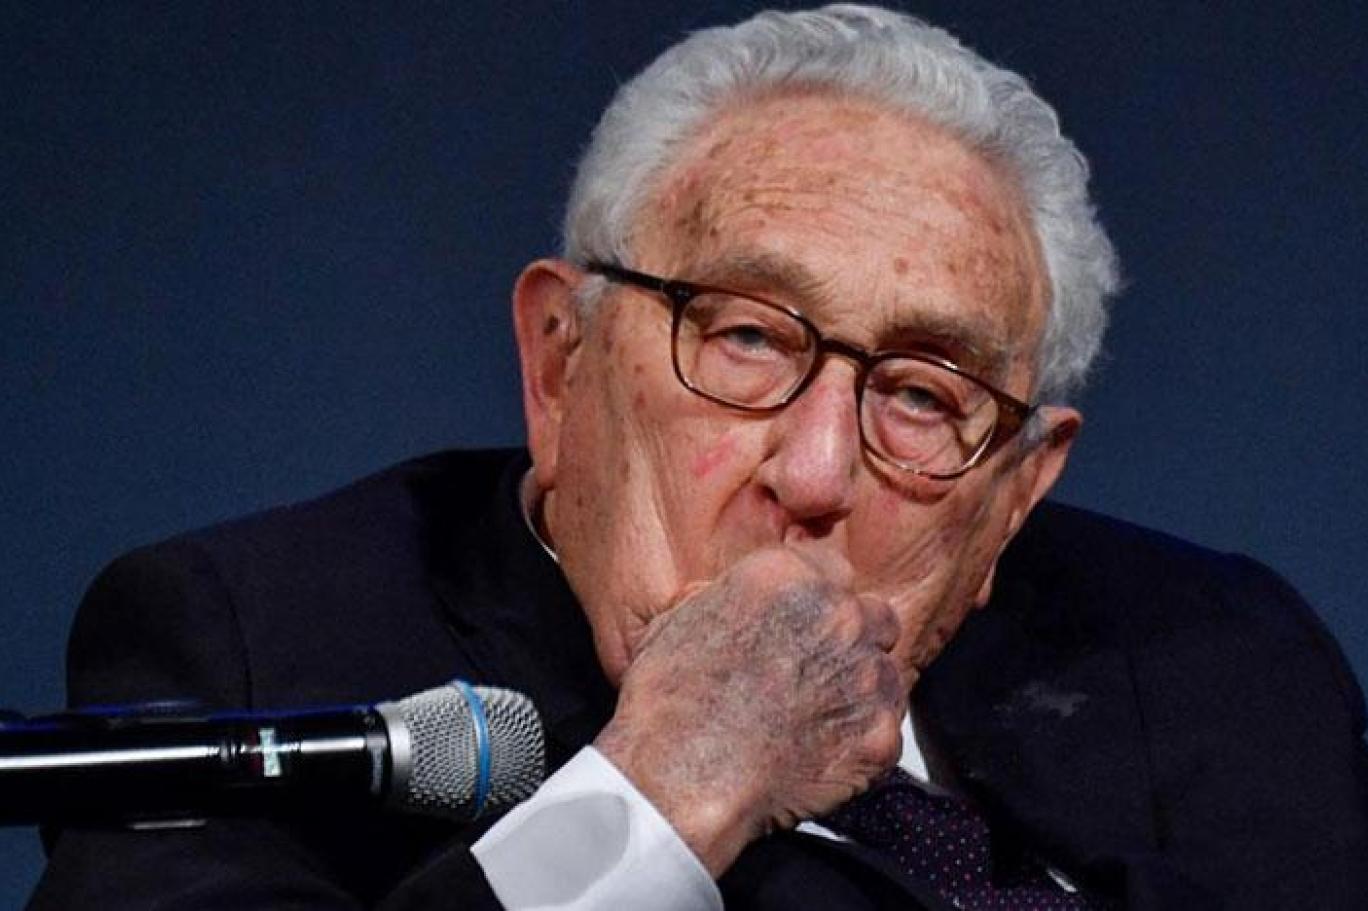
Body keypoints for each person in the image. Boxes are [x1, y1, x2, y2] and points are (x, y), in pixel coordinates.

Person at [31, 5, 1368, 909]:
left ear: (1017, 490)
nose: (817, 473)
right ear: (560, 363)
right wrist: (665, 793)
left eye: (923, 394)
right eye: (743, 337)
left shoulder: (1227, 669)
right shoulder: (265, 652)